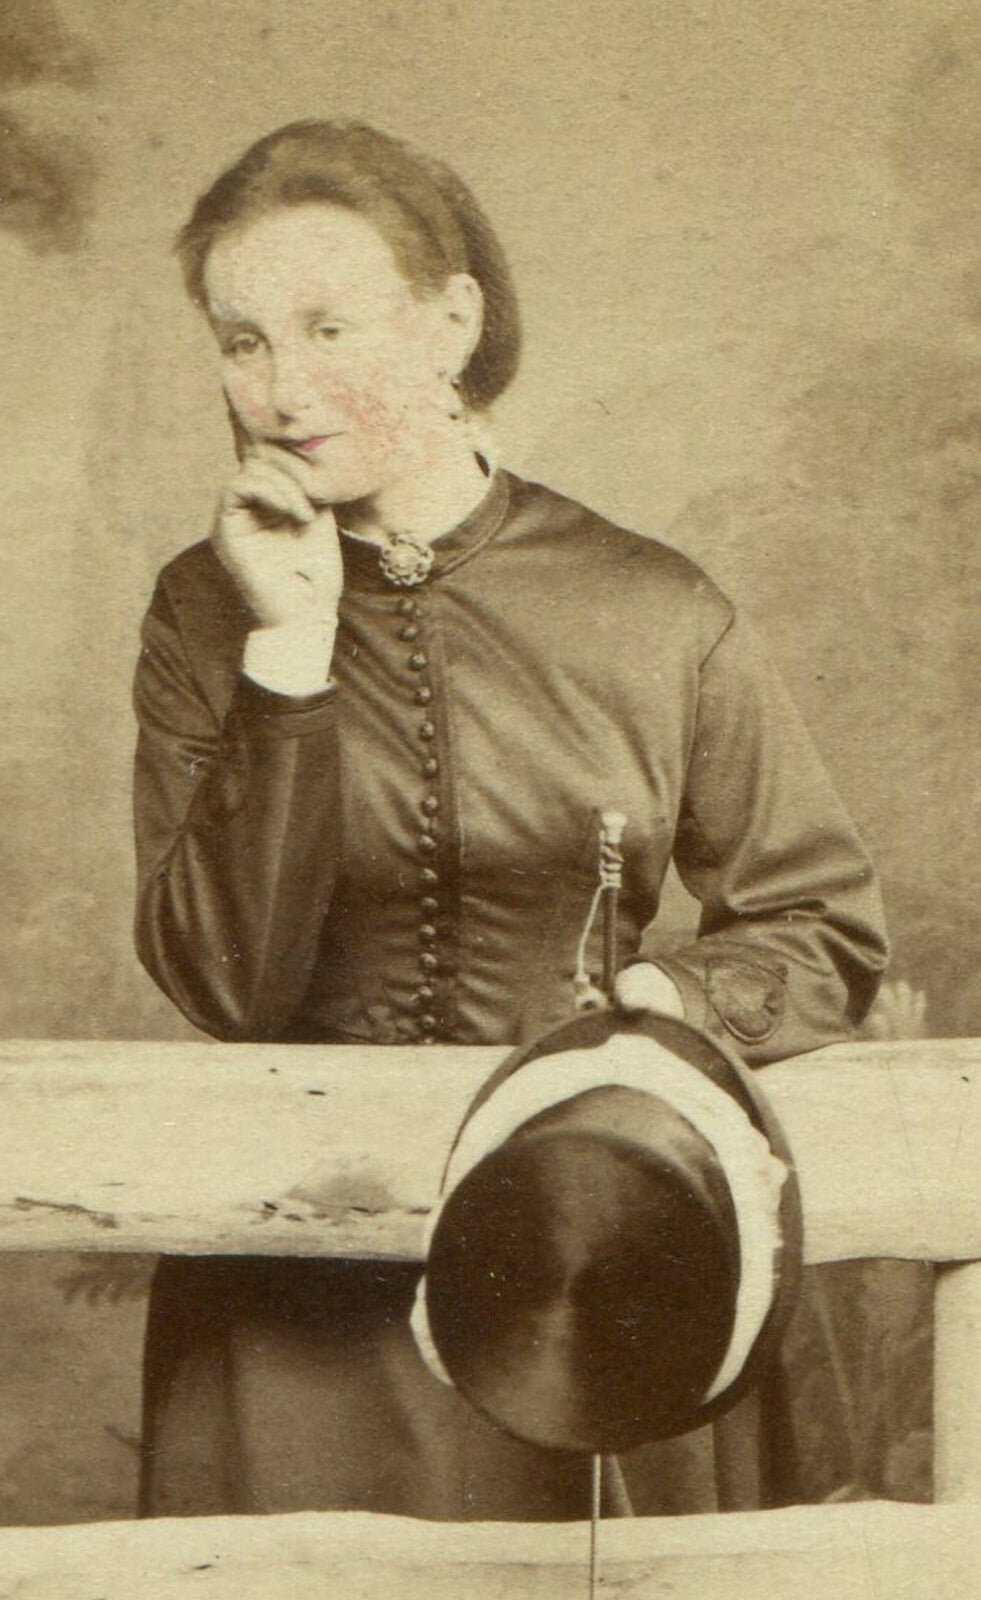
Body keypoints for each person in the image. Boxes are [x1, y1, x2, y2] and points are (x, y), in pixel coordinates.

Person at [132, 119, 889, 1520]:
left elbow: (818, 927)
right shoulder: (203, 607)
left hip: (605, 1245)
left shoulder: (650, 608)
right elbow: (229, 985)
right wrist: (289, 651)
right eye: (242, 341)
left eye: (327, 326)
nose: (281, 387)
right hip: (298, 1307)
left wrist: (646, 1009)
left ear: (451, 322)